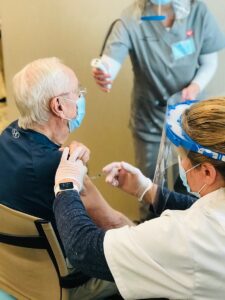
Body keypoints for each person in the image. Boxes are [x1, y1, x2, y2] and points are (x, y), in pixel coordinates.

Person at [54, 98, 225, 299]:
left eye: (182, 155)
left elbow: (83, 250)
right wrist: (148, 190)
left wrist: (66, 186)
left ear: (207, 172)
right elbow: (207, 210)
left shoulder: (186, 236)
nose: (181, 163)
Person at [0, 57, 128, 299]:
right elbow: (111, 223)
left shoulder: (8, 135)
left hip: (13, 275)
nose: (81, 97)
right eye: (77, 92)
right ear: (58, 106)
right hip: (65, 284)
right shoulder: (60, 168)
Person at [92, 0, 225, 220]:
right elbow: (109, 63)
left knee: (199, 192)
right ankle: (152, 239)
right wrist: (104, 73)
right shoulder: (132, 19)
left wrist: (195, 86)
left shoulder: (198, 12)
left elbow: (209, 61)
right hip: (150, 122)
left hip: (191, 123)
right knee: (148, 190)